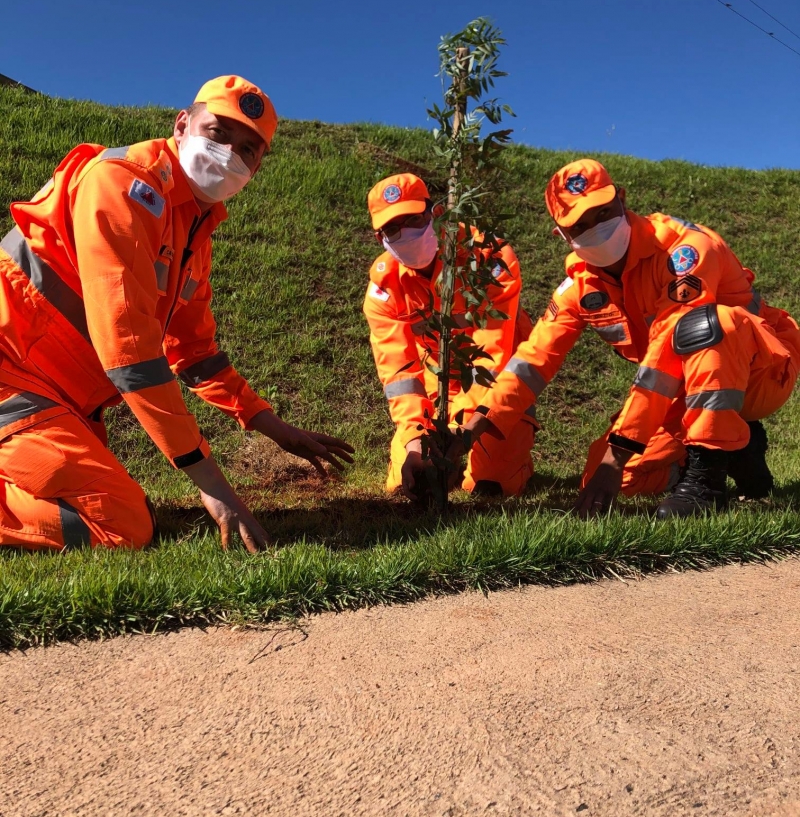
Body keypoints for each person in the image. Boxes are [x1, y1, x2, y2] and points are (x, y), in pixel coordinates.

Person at [0, 75, 353, 552]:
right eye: (218, 132)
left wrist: (274, 428)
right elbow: (130, 353)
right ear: (182, 124)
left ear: (258, 167)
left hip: (53, 397)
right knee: (124, 526)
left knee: (118, 511)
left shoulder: (193, 227)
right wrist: (215, 487)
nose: (230, 153)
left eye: (248, 149)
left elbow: (195, 354)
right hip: (15, 383)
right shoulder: (122, 183)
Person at [453, 158, 800, 517]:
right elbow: (533, 361)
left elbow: (664, 354)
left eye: (603, 212)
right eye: (580, 224)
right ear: (562, 235)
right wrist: (472, 429)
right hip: (686, 387)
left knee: (705, 325)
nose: (597, 227)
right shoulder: (579, 287)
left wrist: (616, 454)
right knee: (606, 479)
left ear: (621, 198)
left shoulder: (685, 251)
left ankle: (706, 481)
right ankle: (739, 452)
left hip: (763, 371)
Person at [364, 172, 536, 500]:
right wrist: (416, 438)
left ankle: (513, 462)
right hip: (435, 391)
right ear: (380, 239)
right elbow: (399, 374)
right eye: (392, 229)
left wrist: (461, 430)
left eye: (414, 219)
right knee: (405, 486)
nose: (406, 234)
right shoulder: (384, 290)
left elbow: (492, 356)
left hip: (495, 389)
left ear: (436, 214)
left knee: (490, 487)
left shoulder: (488, 259)